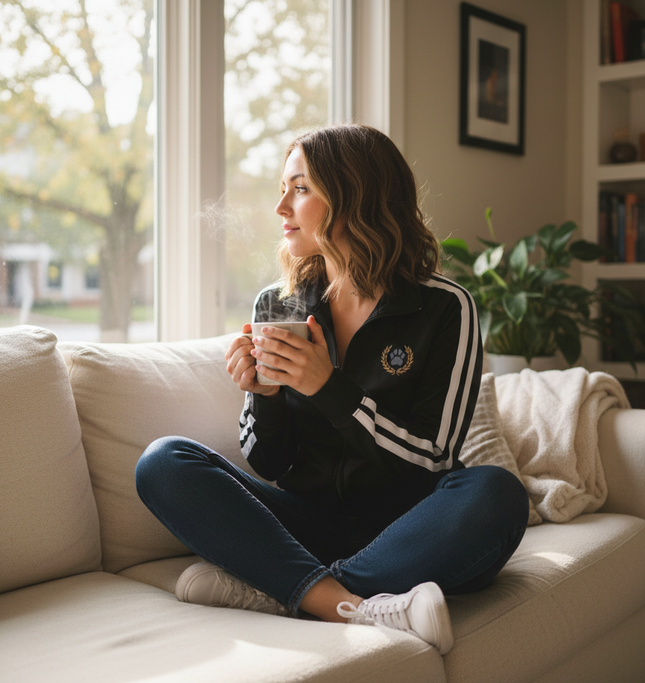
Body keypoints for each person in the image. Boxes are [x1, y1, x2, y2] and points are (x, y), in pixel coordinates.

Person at [135, 123, 528, 655]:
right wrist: (266, 396)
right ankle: (345, 603)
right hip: (305, 523)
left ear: (355, 196)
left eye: (300, 188)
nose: (281, 208)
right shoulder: (281, 304)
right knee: (164, 462)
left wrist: (329, 387)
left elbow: (432, 458)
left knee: (495, 493)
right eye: (283, 189)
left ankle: (288, 590)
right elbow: (268, 463)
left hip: (411, 530)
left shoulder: (443, 307)